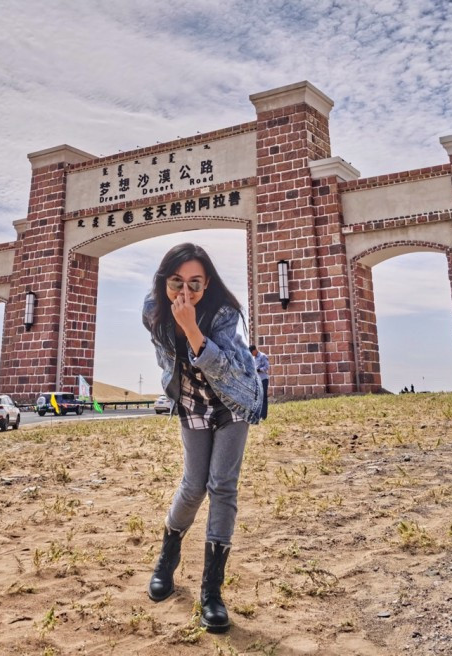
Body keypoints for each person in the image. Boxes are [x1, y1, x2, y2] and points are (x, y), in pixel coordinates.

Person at [142, 243, 262, 634]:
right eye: (176, 282)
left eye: (195, 283)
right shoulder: (152, 310)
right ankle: (166, 560)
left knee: (222, 486)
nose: (185, 292)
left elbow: (226, 370)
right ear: (164, 281)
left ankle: (212, 591)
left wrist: (192, 328)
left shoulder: (222, 313)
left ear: (207, 283)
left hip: (233, 399)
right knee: (193, 486)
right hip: (193, 401)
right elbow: (167, 360)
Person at [249, 345, 270, 420]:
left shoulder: (263, 356)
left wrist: (259, 370)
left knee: (263, 397)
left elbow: (267, 367)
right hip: (257, 380)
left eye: (252, 352)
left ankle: (263, 416)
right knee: (257, 398)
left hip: (263, 379)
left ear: (255, 350)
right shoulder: (253, 358)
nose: (252, 354)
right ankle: (258, 415)